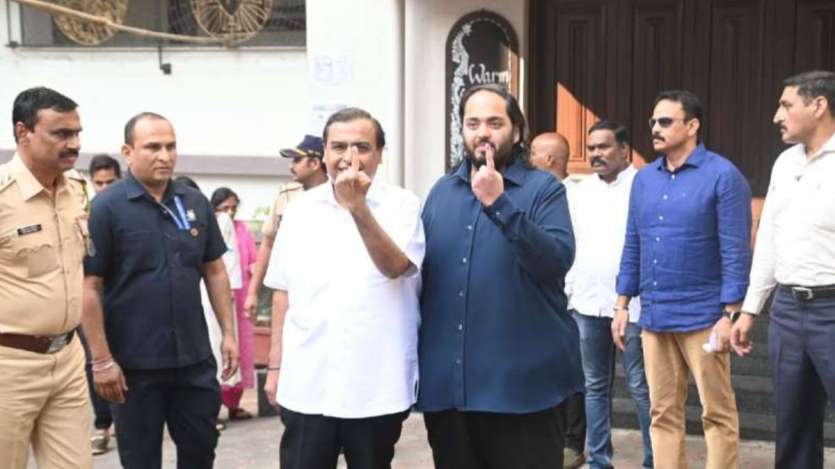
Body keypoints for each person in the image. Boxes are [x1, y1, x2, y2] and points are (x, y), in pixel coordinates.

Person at [418, 84, 583, 469]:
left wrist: (499, 203)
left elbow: (556, 261)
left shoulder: (544, 190)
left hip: (524, 391)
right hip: (452, 393)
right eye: (472, 123)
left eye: (495, 122)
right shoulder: (442, 192)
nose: (483, 132)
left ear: (516, 131)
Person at [262, 107, 425, 469]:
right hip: (308, 381)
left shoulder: (403, 206)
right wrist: (275, 367)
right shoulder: (301, 210)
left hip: (375, 384)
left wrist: (358, 208)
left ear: (380, 154)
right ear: (324, 152)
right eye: (339, 147)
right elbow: (282, 291)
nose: (350, 157)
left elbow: (396, 267)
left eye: (362, 147)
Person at [81, 112, 239, 469]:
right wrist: (102, 359)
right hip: (134, 368)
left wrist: (229, 334)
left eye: (171, 146)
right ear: (128, 151)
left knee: (201, 454)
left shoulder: (193, 202)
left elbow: (214, 270)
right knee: (140, 461)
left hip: (194, 362)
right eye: (153, 147)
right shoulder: (106, 208)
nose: (165, 155)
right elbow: (89, 287)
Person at [612, 90, 751, 469]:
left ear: (692, 126)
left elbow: (735, 250)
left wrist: (730, 314)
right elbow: (633, 243)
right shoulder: (644, 180)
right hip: (655, 315)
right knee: (662, 412)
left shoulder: (723, 176)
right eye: (653, 122)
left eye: (665, 121)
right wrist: (622, 305)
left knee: (717, 414)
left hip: (705, 315)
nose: (655, 129)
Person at [732, 70, 835, 468]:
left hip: (832, 308)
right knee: (793, 425)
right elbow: (770, 236)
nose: (777, 115)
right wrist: (750, 309)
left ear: (819, 105)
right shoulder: (785, 163)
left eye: (786, 105)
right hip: (789, 312)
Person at [0, 87, 92, 469]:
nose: (73, 144)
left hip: (68, 359)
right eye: (61, 134)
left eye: (76, 133)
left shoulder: (77, 191)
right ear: (24, 132)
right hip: (9, 365)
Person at [564, 120, 652, 469]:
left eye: (604, 147)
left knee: (640, 386)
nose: (596, 154)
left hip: (634, 306)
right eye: (591, 148)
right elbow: (571, 242)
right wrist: (570, 291)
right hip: (587, 301)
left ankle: (654, 460)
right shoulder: (578, 191)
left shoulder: (643, 186)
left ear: (625, 150)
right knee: (594, 385)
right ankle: (600, 460)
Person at [531, 130, 585, 469]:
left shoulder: (578, 196)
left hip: (576, 295)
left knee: (575, 373)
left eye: (534, 152)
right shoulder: (523, 192)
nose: (529, 156)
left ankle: (573, 443)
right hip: (541, 296)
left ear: (550, 159)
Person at [242, 135, 328, 320]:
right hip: (290, 291)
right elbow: (268, 244)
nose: (291, 166)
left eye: (297, 160)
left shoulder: (339, 196)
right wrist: (253, 292)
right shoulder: (287, 196)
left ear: (315, 164)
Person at [82, 152, 122, 455]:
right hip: (91, 299)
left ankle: (124, 420)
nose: (105, 188)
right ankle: (102, 425)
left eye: (110, 182)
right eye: (99, 183)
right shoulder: (85, 213)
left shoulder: (132, 211)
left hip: (123, 302)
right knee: (94, 361)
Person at [211, 187, 257, 421]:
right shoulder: (214, 226)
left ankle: (233, 404)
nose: (229, 212)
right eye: (224, 208)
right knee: (217, 345)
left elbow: (252, 260)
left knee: (242, 349)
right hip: (217, 298)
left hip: (241, 297)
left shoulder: (243, 229)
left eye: (233, 207)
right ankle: (214, 405)